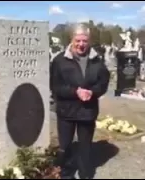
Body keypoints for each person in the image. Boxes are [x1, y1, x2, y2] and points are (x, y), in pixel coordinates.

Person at [50, 24, 110, 179]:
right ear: (72, 39)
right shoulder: (59, 61)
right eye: (78, 40)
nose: (81, 44)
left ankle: (85, 175)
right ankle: (67, 175)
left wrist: (92, 92)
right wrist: (75, 91)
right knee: (66, 147)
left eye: (84, 41)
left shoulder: (97, 60)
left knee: (85, 147)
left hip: (87, 111)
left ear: (88, 41)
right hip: (66, 111)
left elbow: (103, 83)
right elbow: (55, 87)